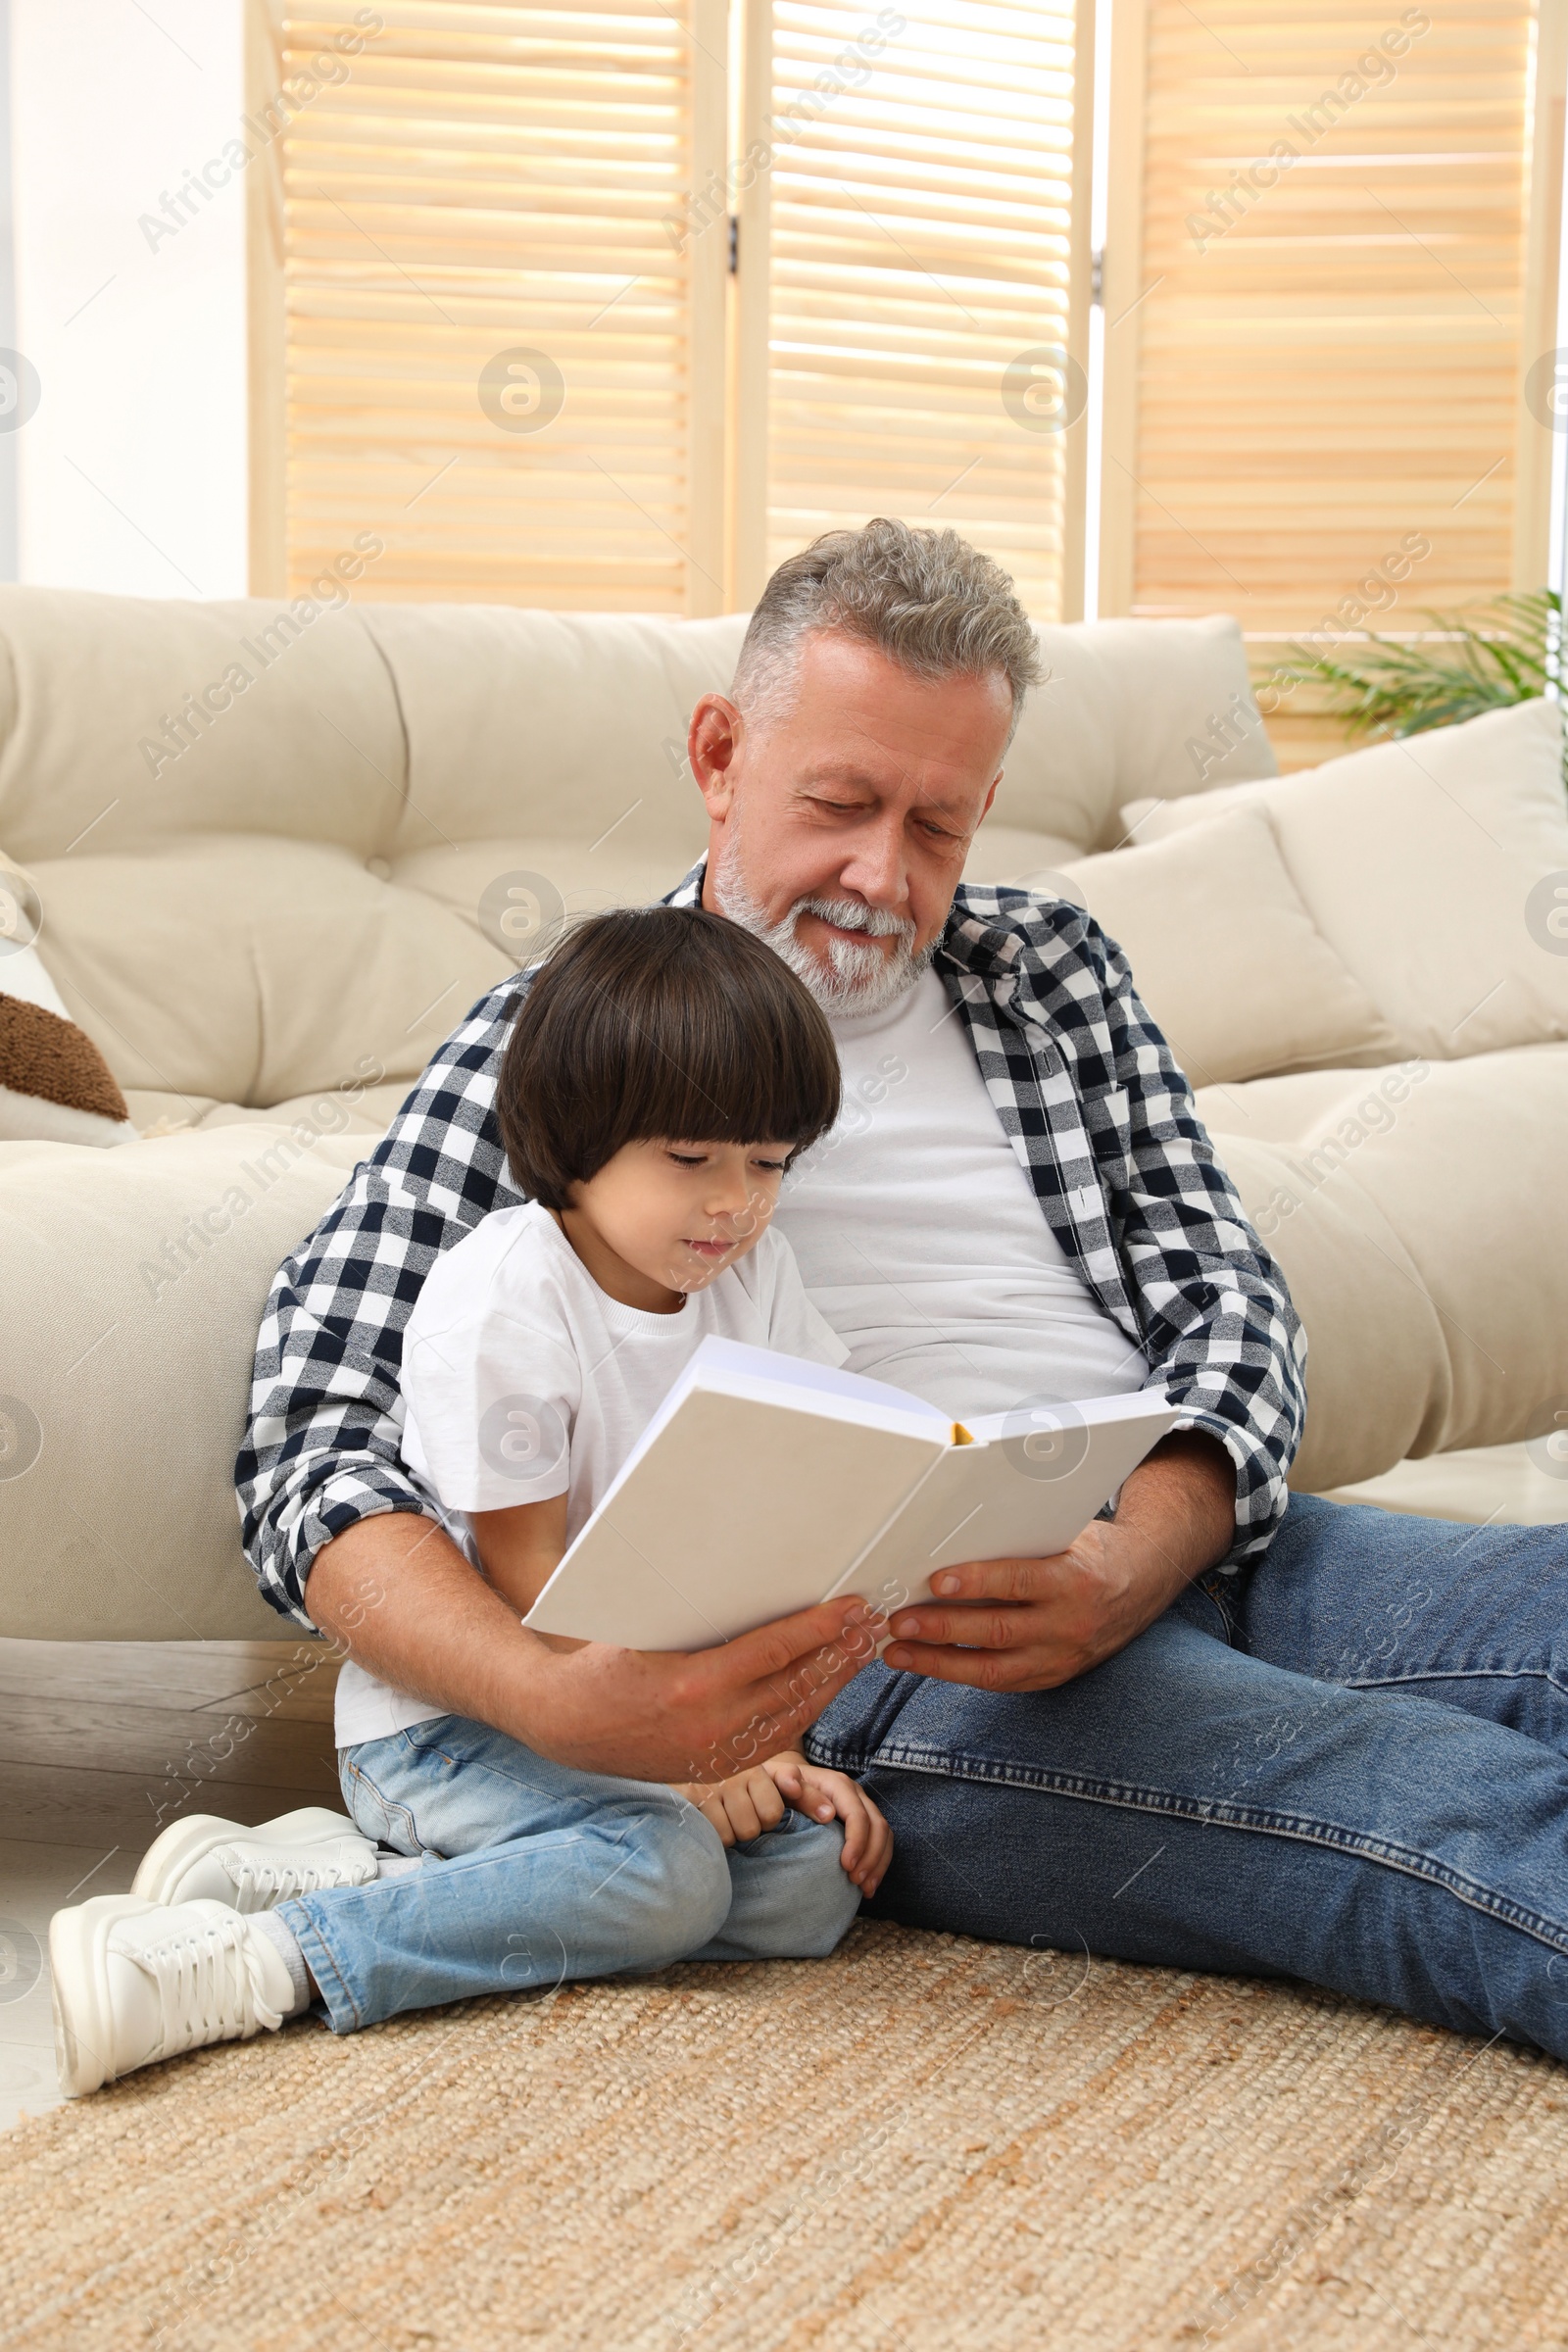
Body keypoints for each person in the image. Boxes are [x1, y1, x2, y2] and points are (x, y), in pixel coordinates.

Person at [60, 519, 1568, 2083]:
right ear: (720, 753)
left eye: (939, 827)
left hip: (1178, 1540)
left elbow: (1228, 1301)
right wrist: (565, 1705)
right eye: (841, 805)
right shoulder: (579, 1039)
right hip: (885, 1650)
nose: (880, 877)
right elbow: (312, 1432)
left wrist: (1149, 1541)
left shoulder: (1050, 972)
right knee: (1435, 1803)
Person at [49, 906, 892, 2092]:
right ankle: (267, 1956)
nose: (734, 1206)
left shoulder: (757, 1278)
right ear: (578, 1140)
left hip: (641, 1719)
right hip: (452, 1731)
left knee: (810, 1880)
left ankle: (360, 1875)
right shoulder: (507, 1294)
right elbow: (533, 1592)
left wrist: (767, 1746)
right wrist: (692, 1772)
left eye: (768, 1164)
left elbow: (800, 1492)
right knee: (669, 1875)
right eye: (691, 1161)